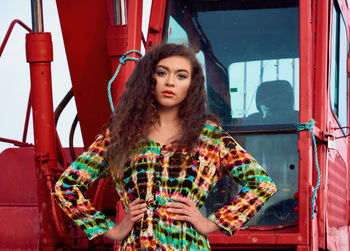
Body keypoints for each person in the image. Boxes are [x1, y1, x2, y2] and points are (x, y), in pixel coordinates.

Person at [52, 43, 277, 250]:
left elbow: (262, 185)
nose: (170, 82)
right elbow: (66, 187)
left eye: (181, 76)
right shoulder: (120, 137)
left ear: (191, 84)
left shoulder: (210, 139)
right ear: (149, 79)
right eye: (162, 73)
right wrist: (111, 230)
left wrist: (210, 223)